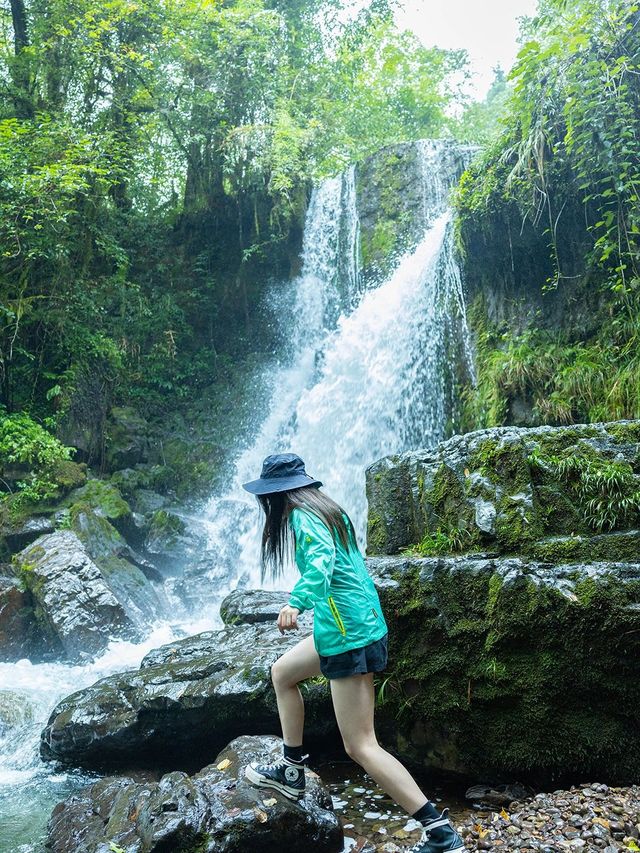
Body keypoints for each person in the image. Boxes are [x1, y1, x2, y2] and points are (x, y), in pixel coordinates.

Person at [241, 452, 465, 853]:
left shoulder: (303, 517)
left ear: (276, 495)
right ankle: (292, 770)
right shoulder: (329, 510)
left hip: (348, 634)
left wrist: (296, 601)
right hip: (353, 624)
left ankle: (440, 832)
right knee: (282, 673)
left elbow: (322, 564)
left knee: (361, 746)